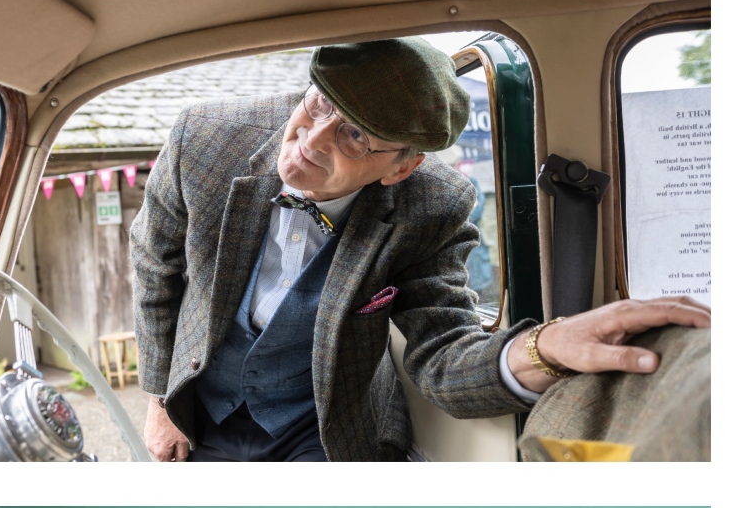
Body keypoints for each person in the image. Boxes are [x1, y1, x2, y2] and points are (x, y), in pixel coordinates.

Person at [131, 40, 710, 461]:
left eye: (355, 134)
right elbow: (157, 267)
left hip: (323, 429)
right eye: (320, 104)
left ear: (403, 167)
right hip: (199, 409)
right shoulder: (205, 140)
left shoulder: (431, 205)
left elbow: (442, 355)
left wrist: (546, 346)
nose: (310, 140)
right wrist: (159, 398)